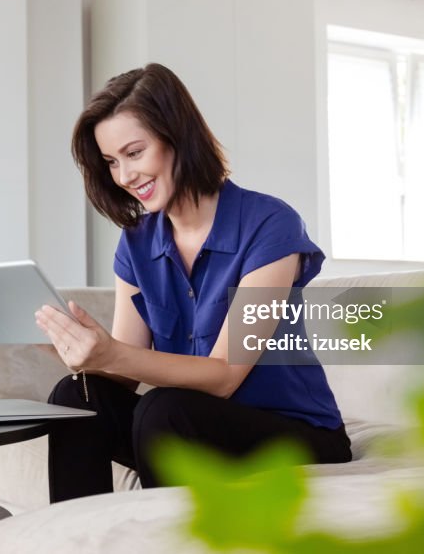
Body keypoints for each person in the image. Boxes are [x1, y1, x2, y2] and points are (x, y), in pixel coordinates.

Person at [35, 63, 351, 503]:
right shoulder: (136, 243)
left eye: (134, 152)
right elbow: (124, 372)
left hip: (295, 436)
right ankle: (72, 541)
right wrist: (82, 352)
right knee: (78, 395)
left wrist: (112, 353)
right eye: (111, 162)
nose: (124, 176)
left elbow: (224, 376)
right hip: (193, 425)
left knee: (164, 410)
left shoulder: (269, 224)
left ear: (176, 136)